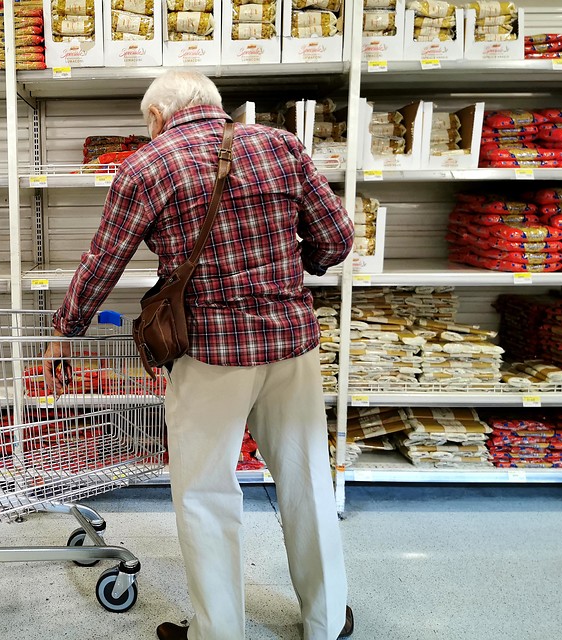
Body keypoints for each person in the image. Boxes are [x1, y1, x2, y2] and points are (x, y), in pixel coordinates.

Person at [44, 70, 355, 640]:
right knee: (308, 480)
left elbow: (104, 260)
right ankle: (327, 621)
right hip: (291, 345)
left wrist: (66, 330)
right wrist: (291, 267)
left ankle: (221, 633)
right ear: (215, 105)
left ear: (159, 117)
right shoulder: (281, 144)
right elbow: (335, 239)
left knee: (208, 492)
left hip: (210, 353)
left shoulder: (147, 165)